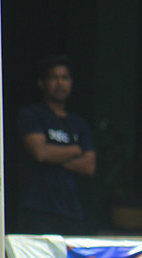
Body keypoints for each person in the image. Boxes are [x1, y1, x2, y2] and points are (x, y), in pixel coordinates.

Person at [15, 54, 96, 235]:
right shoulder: (31, 115)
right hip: (38, 209)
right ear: (41, 83)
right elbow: (40, 153)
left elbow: (89, 166)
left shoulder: (78, 124)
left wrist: (55, 155)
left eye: (65, 78)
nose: (60, 83)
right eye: (54, 78)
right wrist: (75, 150)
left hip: (70, 211)